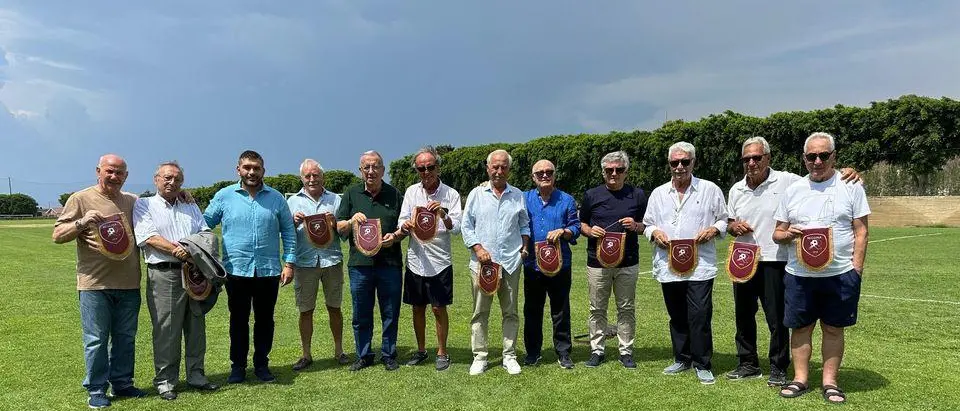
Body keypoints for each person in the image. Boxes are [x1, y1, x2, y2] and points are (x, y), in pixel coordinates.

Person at [725, 136, 860, 386]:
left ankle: (778, 367)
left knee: (777, 318)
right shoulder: (736, 189)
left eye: (757, 157)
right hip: (744, 259)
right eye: (747, 159)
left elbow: (820, 177)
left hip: (776, 259)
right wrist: (733, 226)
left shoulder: (788, 180)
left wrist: (849, 172)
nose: (752, 162)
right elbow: (729, 221)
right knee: (743, 315)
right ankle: (747, 363)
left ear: (768, 158)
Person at [774, 132, 870, 404]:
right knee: (801, 328)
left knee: (833, 328)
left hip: (840, 274)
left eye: (823, 155)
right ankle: (800, 379)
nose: (817, 161)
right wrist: (788, 234)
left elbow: (861, 232)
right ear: (804, 159)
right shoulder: (793, 190)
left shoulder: (851, 186)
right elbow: (777, 234)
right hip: (799, 274)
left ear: (833, 156)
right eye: (811, 156)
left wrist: (856, 270)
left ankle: (830, 382)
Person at [53, 154, 147, 409]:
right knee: (96, 339)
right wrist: (82, 222)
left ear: (126, 176)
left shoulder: (132, 201)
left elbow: (159, 206)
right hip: (94, 285)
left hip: (129, 284)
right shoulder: (80, 199)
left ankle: (123, 383)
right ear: (98, 171)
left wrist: (183, 194)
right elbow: (58, 235)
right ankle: (96, 389)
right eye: (110, 171)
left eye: (120, 173)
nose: (114, 177)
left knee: (126, 338)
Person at [203, 150, 296, 384]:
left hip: (268, 270)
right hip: (236, 270)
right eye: (247, 167)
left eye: (256, 168)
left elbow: (288, 231)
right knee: (238, 320)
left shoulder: (276, 198)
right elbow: (204, 223)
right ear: (238, 170)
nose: (252, 172)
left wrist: (290, 262)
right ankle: (238, 366)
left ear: (263, 170)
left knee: (265, 320)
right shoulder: (225, 196)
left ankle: (262, 364)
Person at [643, 142, 728, 385]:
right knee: (677, 314)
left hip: (700, 264)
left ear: (694, 163)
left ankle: (702, 363)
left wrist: (714, 229)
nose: (679, 167)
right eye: (674, 163)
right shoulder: (658, 193)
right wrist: (654, 233)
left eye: (684, 162)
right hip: (668, 263)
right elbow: (648, 223)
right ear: (669, 165)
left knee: (700, 314)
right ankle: (682, 358)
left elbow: (724, 220)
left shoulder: (710, 189)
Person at [133, 161, 219, 401]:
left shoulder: (190, 205)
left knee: (196, 326)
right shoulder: (144, 204)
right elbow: (148, 236)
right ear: (156, 179)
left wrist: (192, 253)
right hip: (164, 273)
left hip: (194, 271)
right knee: (166, 330)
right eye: (167, 178)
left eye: (178, 179)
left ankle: (197, 376)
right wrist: (178, 250)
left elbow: (205, 232)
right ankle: (165, 381)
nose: (172, 182)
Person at [462, 149, 531, 375]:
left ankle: (509, 356)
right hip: (482, 265)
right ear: (488, 168)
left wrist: (525, 248)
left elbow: (524, 225)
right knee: (480, 313)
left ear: (509, 169)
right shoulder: (476, 194)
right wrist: (478, 248)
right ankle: (480, 357)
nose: (499, 171)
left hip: (511, 262)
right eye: (495, 167)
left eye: (503, 167)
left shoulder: (518, 195)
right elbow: (466, 226)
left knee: (510, 312)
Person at [335, 150, 404, 371]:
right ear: (361, 170)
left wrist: (394, 237)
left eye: (376, 166)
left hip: (390, 263)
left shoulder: (394, 194)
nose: (371, 171)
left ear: (383, 169)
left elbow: (404, 226)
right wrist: (350, 220)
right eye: (367, 167)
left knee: (391, 311)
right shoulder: (351, 193)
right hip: (360, 266)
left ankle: (388, 354)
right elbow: (338, 227)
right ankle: (364, 355)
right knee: (361, 312)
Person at [579, 151, 647, 369]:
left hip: (628, 262)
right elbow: (581, 224)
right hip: (597, 263)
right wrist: (590, 231)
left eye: (619, 169)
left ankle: (626, 351)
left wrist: (636, 226)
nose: (614, 173)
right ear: (603, 172)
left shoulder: (637, 195)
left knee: (626, 308)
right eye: (609, 170)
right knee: (596, 308)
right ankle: (597, 350)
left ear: (626, 171)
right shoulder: (591, 195)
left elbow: (647, 225)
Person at [397, 146, 462, 371]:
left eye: (430, 167)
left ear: (438, 167)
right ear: (417, 170)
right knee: (417, 307)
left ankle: (442, 352)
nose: (426, 172)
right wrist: (404, 225)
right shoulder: (411, 192)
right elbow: (402, 220)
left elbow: (457, 228)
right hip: (416, 259)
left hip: (440, 261)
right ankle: (421, 350)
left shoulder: (451, 194)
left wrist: (443, 214)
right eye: (421, 168)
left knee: (438, 308)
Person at [286, 159, 349, 371]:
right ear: (302, 178)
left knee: (334, 307)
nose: (312, 179)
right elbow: (286, 234)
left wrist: (335, 223)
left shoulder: (336, 200)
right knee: (306, 310)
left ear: (323, 177)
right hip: (305, 262)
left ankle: (339, 351)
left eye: (316, 175)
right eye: (307, 176)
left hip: (332, 260)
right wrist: (293, 223)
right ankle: (306, 354)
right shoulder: (292, 202)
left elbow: (344, 231)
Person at [521, 159, 580, 369]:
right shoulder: (524, 198)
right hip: (532, 265)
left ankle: (563, 352)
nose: (545, 175)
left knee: (561, 310)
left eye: (549, 172)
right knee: (532, 310)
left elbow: (576, 226)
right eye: (540, 173)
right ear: (533, 177)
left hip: (560, 265)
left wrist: (564, 232)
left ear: (555, 174)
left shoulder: (567, 200)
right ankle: (533, 353)